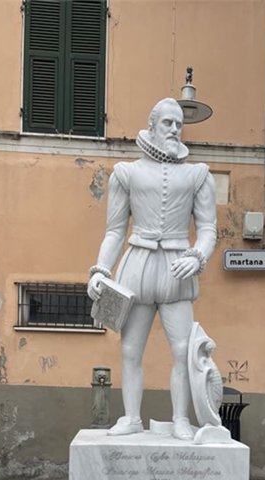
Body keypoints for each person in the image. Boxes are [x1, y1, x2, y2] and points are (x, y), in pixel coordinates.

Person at [87, 98, 217, 440]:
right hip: (137, 265)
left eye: (179, 124)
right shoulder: (125, 173)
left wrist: (197, 257)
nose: (174, 129)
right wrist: (100, 269)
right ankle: (132, 417)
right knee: (130, 350)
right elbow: (115, 231)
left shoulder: (198, 175)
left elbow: (208, 229)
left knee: (182, 352)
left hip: (178, 267)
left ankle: (180, 419)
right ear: (152, 125)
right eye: (167, 123)